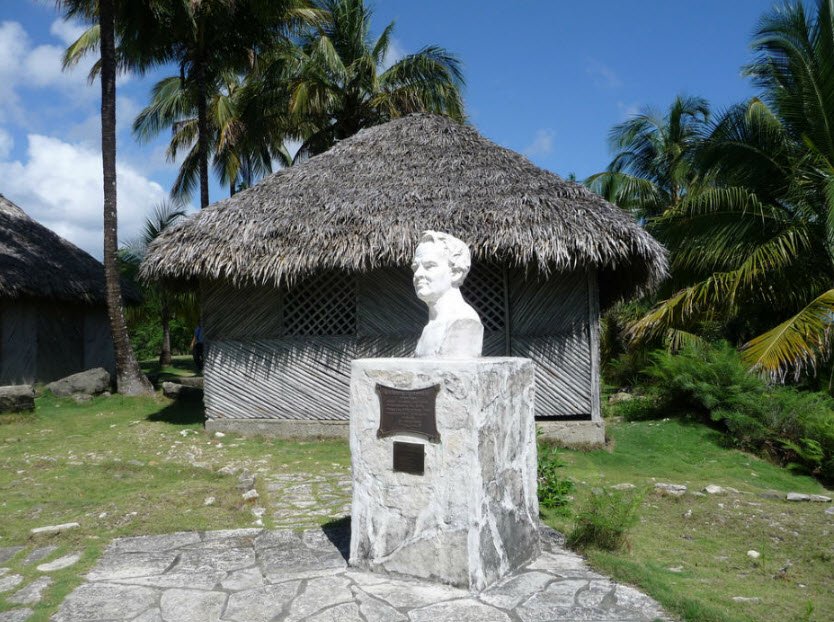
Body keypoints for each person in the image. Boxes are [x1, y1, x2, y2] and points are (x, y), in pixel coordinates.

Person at [411, 230, 483, 358]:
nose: (417, 274)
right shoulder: (431, 325)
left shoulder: (464, 321)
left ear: (456, 273)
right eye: (415, 267)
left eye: (429, 266)